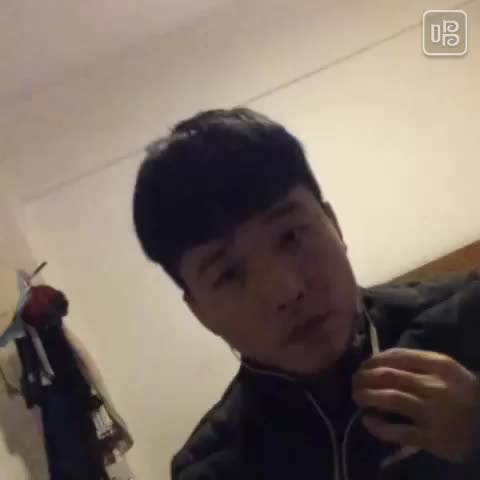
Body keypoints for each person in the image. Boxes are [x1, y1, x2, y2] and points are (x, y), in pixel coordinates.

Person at [133, 108, 480, 479]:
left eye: (291, 237)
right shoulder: (211, 470)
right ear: (200, 312)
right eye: (228, 274)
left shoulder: (468, 318)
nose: (286, 291)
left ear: (333, 225)